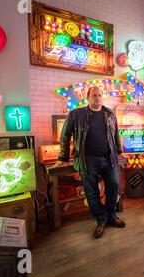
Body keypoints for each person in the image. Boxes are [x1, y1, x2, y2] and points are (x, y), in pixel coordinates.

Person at [54, 86, 126, 239]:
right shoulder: (76, 114)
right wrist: (62, 157)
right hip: (87, 160)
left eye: (100, 95)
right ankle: (101, 219)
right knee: (91, 193)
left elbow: (115, 133)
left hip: (109, 158)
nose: (97, 98)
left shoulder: (109, 113)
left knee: (114, 187)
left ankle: (111, 216)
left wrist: (119, 151)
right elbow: (65, 136)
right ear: (88, 98)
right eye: (94, 95)